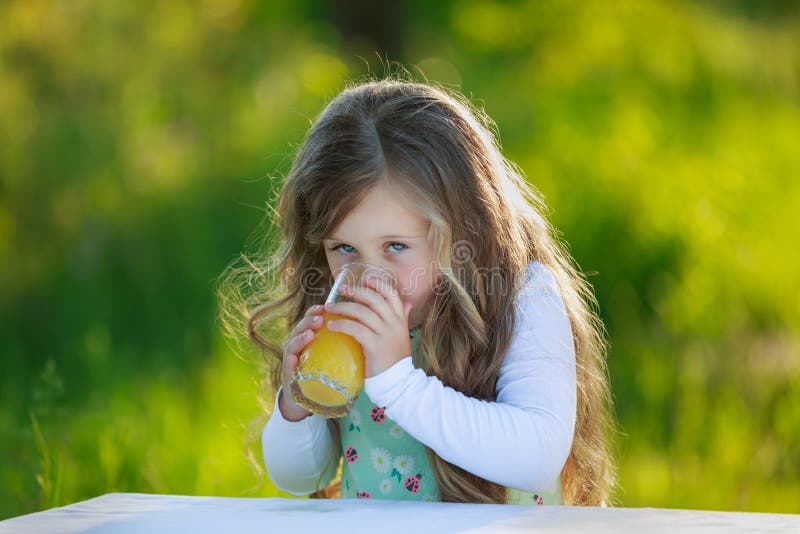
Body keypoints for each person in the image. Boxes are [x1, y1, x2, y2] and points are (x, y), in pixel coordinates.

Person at [220, 78, 617, 506]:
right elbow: (298, 478)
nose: (369, 276)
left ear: (465, 229)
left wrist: (397, 384)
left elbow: (537, 456)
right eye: (344, 248)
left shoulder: (521, 296)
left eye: (396, 247)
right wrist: (298, 407)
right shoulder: (340, 316)